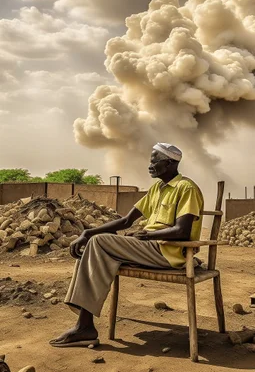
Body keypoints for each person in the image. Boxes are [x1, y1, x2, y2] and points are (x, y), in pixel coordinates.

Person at [50, 142, 204, 348]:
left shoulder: (186, 188)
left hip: (168, 252)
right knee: (93, 246)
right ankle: (84, 324)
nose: (150, 165)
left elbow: (182, 231)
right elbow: (125, 221)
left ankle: (84, 326)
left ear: (168, 163)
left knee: (99, 242)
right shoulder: (156, 189)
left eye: (154, 160)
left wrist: (147, 236)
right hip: (149, 247)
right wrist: (87, 232)